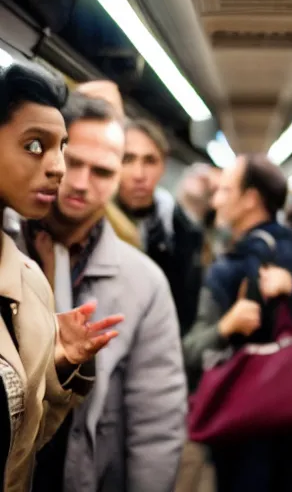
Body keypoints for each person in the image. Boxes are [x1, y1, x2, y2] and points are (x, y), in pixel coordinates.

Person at [12, 92, 187, 491]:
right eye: (71, 161)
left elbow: (156, 420)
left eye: (102, 171)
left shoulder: (143, 282)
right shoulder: (5, 252)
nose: (78, 183)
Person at [0, 62, 122, 491]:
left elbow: (25, 446)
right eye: (35, 145)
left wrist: (58, 366)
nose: (58, 167)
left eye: (61, 148)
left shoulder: (29, 281)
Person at [184, 154, 292, 492]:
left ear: (250, 199)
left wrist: (225, 327)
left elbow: (191, 352)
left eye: (224, 190)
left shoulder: (230, 268)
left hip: (238, 430)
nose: (215, 199)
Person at [114, 118, 212, 336]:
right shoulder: (90, 224)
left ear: (163, 167)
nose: (139, 174)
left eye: (149, 161)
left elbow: (186, 312)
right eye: (127, 159)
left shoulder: (184, 234)